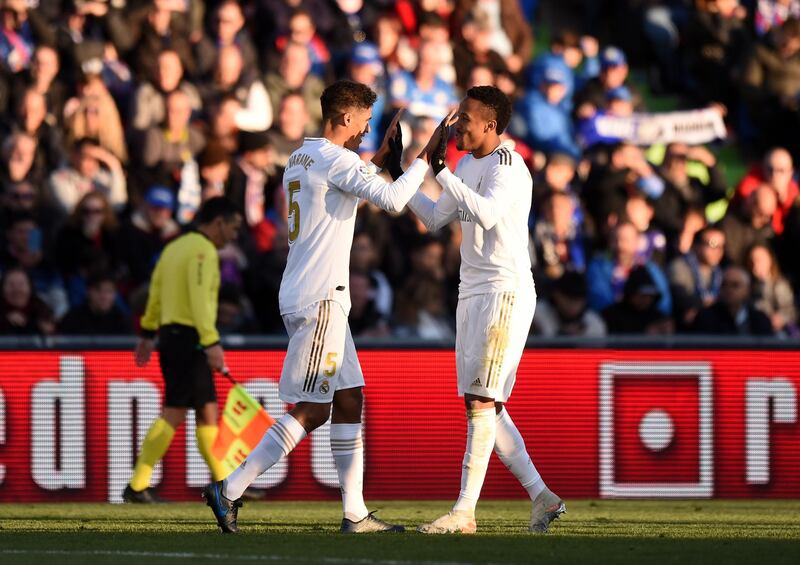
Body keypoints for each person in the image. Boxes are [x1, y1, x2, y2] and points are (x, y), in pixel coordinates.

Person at [202, 79, 443, 534]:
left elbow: (351, 184)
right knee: (314, 409)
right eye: (365, 123)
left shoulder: (303, 155)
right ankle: (230, 488)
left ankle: (355, 512)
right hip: (320, 298)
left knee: (351, 398)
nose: (366, 132)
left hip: (312, 292)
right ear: (346, 118)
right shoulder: (336, 160)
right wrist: (422, 159)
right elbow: (392, 200)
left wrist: (381, 163)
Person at [405, 86, 565, 534]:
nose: (457, 126)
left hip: (504, 291)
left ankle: (464, 512)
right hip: (472, 290)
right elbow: (437, 218)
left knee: (481, 399)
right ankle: (542, 497)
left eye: (466, 119)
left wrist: (442, 172)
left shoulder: (508, 165)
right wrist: (404, 172)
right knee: (485, 406)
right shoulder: (466, 164)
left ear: (490, 126)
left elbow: (489, 214)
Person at [123, 197, 243, 503]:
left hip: (171, 338)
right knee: (176, 411)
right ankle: (138, 485)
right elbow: (201, 303)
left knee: (206, 411)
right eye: (233, 227)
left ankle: (226, 484)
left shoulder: (173, 247)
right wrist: (211, 342)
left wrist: (149, 331)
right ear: (218, 223)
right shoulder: (203, 252)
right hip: (192, 341)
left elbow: (156, 292)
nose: (234, 236)